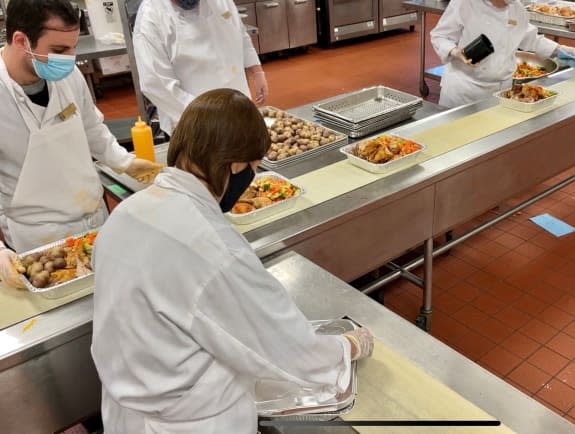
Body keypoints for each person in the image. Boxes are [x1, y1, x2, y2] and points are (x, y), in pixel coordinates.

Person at [91, 88, 373, 433]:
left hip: (125, 412)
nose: (249, 179)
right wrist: (346, 347)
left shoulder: (126, 214)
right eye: (252, 168)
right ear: (235, 164)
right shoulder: (212, 247)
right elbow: (286, 346)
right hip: (193, 422)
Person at [0, 0, 162, 287]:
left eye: (73, 48)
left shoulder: (69, 76)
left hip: (94, 217)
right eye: (60, 50)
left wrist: (123, 161)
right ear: (21, 40)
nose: (70, 60)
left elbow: (91, 127)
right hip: (40, 240)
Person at [132, 0, 269, 136]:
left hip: (239, 109)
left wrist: (256, 71)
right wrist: (209, 117)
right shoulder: (151, 16)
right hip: (196, 125)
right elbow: (156, 84)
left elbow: (240, 32)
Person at [430, 0, 575, 108]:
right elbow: (440, 36)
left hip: (502, 90)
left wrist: (560, 50)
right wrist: (455, 52)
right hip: (465, 90)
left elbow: (529, 37)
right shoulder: (465, 3)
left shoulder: (516, 8)